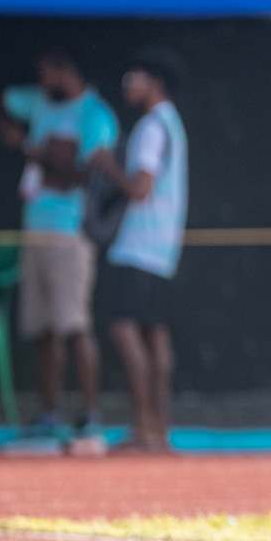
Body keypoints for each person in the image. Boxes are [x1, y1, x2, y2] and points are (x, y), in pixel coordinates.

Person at [0, 46, 118, 453]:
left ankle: (90, 413)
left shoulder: (96, 116)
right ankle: (48, 412)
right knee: (42, 329)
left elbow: (86, 173)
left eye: (46, 72)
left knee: (74, 325)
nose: (41, 81)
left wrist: (30, 147)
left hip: (69, 234)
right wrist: (6, 127)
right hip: (35, 231)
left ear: (67, 71)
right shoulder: (39, 102)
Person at [89, 49, 189, 452]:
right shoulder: (173, 123)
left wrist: (104, 164)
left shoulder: (151, 126)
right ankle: (159, 431)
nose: (128, 84)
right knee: (153, 334)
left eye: (135, 77)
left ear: (155, 83)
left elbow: (140, 188)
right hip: (163, 247)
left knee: (124, 327)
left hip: (140, 245)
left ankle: (145, 429)